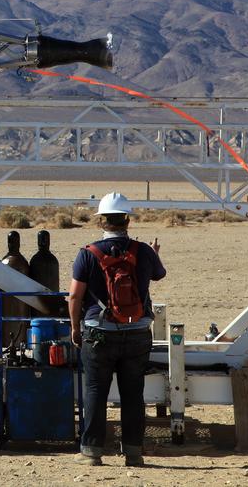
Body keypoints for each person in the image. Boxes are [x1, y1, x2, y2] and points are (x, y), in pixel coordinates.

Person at [68, 192, 165, 467]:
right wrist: (154, 256)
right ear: (127, 221)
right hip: (137, 332)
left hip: (98, 333)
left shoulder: (87, 254)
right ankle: (133, 452)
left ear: (101, 222)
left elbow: (75, 297)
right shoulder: (143, 251)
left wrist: (75, 328)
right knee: (133, 393)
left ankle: (91, 452)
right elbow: (158, 274)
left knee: (96, 391)